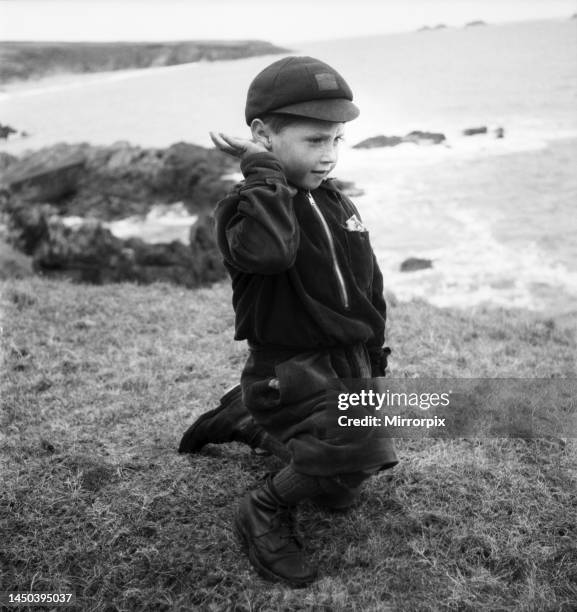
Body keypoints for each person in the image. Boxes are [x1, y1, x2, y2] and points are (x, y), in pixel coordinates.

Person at [179, 56, 398, 587]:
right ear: (262, 135)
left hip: (343, 360)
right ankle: (263, 509)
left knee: (343, 487)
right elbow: (272, 253)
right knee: (361, 447)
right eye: (313, 140)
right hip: (287, 367)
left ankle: (243, 421)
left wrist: (374, 358)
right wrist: (262, 172)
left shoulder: (334, 199)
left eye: (337, 139)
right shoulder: (244, 209)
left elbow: (367, 282)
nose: (329, 155)